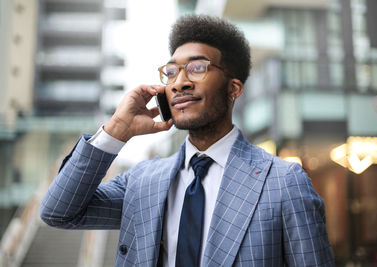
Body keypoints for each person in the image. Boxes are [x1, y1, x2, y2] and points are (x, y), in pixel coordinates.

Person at [40, 15, 334, 267]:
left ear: (234, 89)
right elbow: (59, 212)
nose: (179, 82)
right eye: (171, 72)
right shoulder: (142, 181)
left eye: (197, 68)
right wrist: (117, 129)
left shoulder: (284, 183)